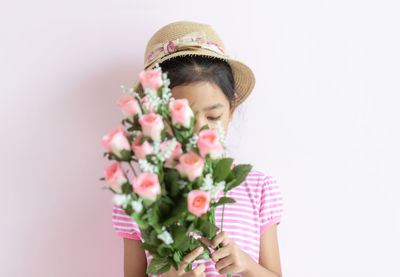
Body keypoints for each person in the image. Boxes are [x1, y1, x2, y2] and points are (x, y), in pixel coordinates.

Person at [112, 20, 284, 277]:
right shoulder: (141, 197)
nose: (199, 131)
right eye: (183, 119)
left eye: (213, 117)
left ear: (232, 109)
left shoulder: (257, 189)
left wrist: (247, 265)